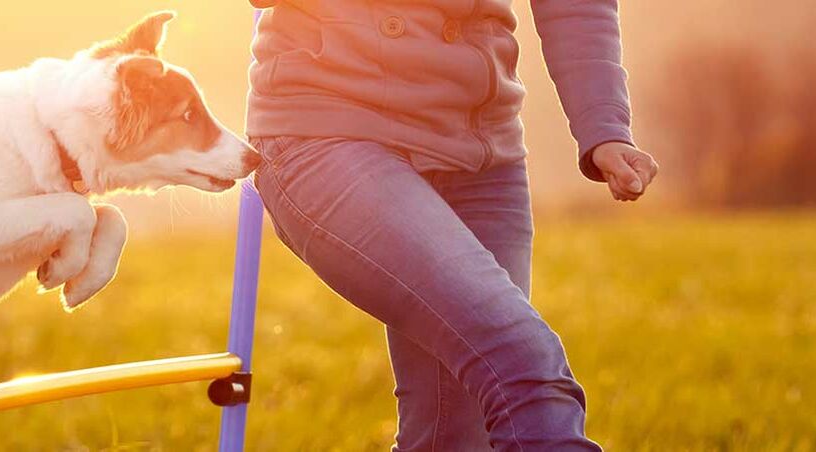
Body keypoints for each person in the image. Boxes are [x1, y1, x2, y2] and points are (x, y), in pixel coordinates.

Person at [245, 0, 659, 450]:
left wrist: (605, 126)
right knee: (521, 358)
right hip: (330, 129)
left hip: (479, 154)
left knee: (456, 435)